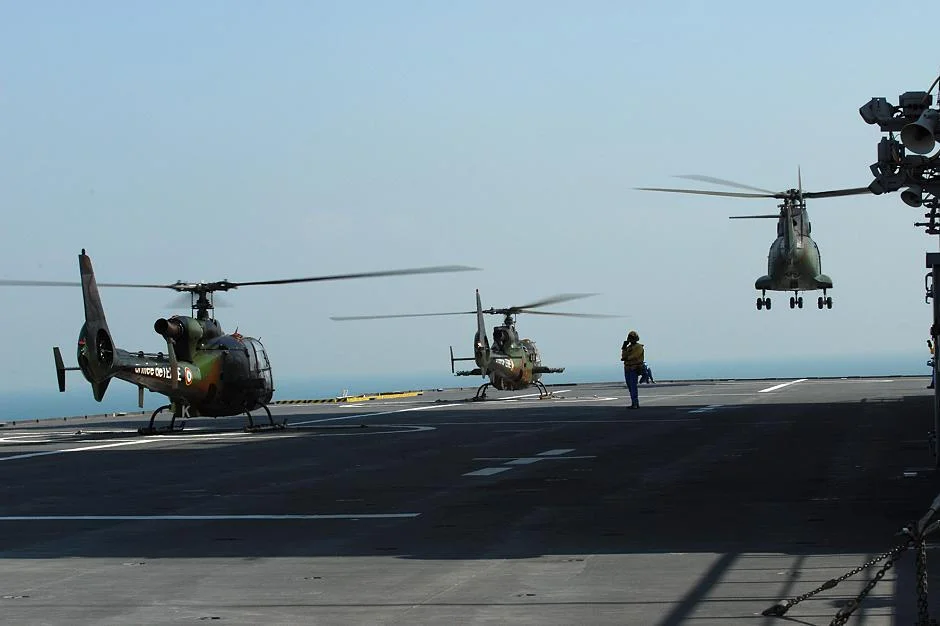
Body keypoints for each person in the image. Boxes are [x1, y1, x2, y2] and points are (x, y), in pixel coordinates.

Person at [621, 330, 645, 408]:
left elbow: (635, 355)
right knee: (630, 386)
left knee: (633, 386)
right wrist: (624, 348)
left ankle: (635, 403)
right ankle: (634, 402)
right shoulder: (628, 348)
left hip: (634, 368)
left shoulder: (639, 347)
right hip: (627, 368)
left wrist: (627, 358)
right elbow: (623, 355)